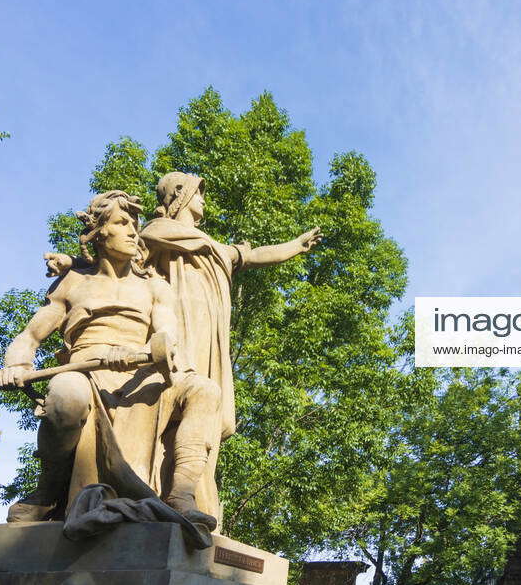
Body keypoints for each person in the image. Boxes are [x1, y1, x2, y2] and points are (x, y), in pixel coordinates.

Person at [45, 172, 321, 527]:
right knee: (161, 397)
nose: (203, 200)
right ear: (181, 195)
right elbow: (114, 263)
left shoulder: (214, 247)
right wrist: (71, 262)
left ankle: (187, 492)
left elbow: (252, 256)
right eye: (198, 193)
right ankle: (146, 486)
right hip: (165, 336)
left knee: (205, 401)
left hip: (207, 338)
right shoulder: (154, 233)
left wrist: (296, 246)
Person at [0, 190, 221, 529]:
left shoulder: (155, 286)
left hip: (142, 371)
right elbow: (31, 336)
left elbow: (167, 333)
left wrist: (149, 350)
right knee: (66, 395)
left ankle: (181, 494)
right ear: (99, 233)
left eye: (134, 224)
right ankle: (48, 490)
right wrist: (17, 365)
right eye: (121, 223)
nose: (133, 231)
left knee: (205, 390)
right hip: (85, 370)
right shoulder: (72, 283)